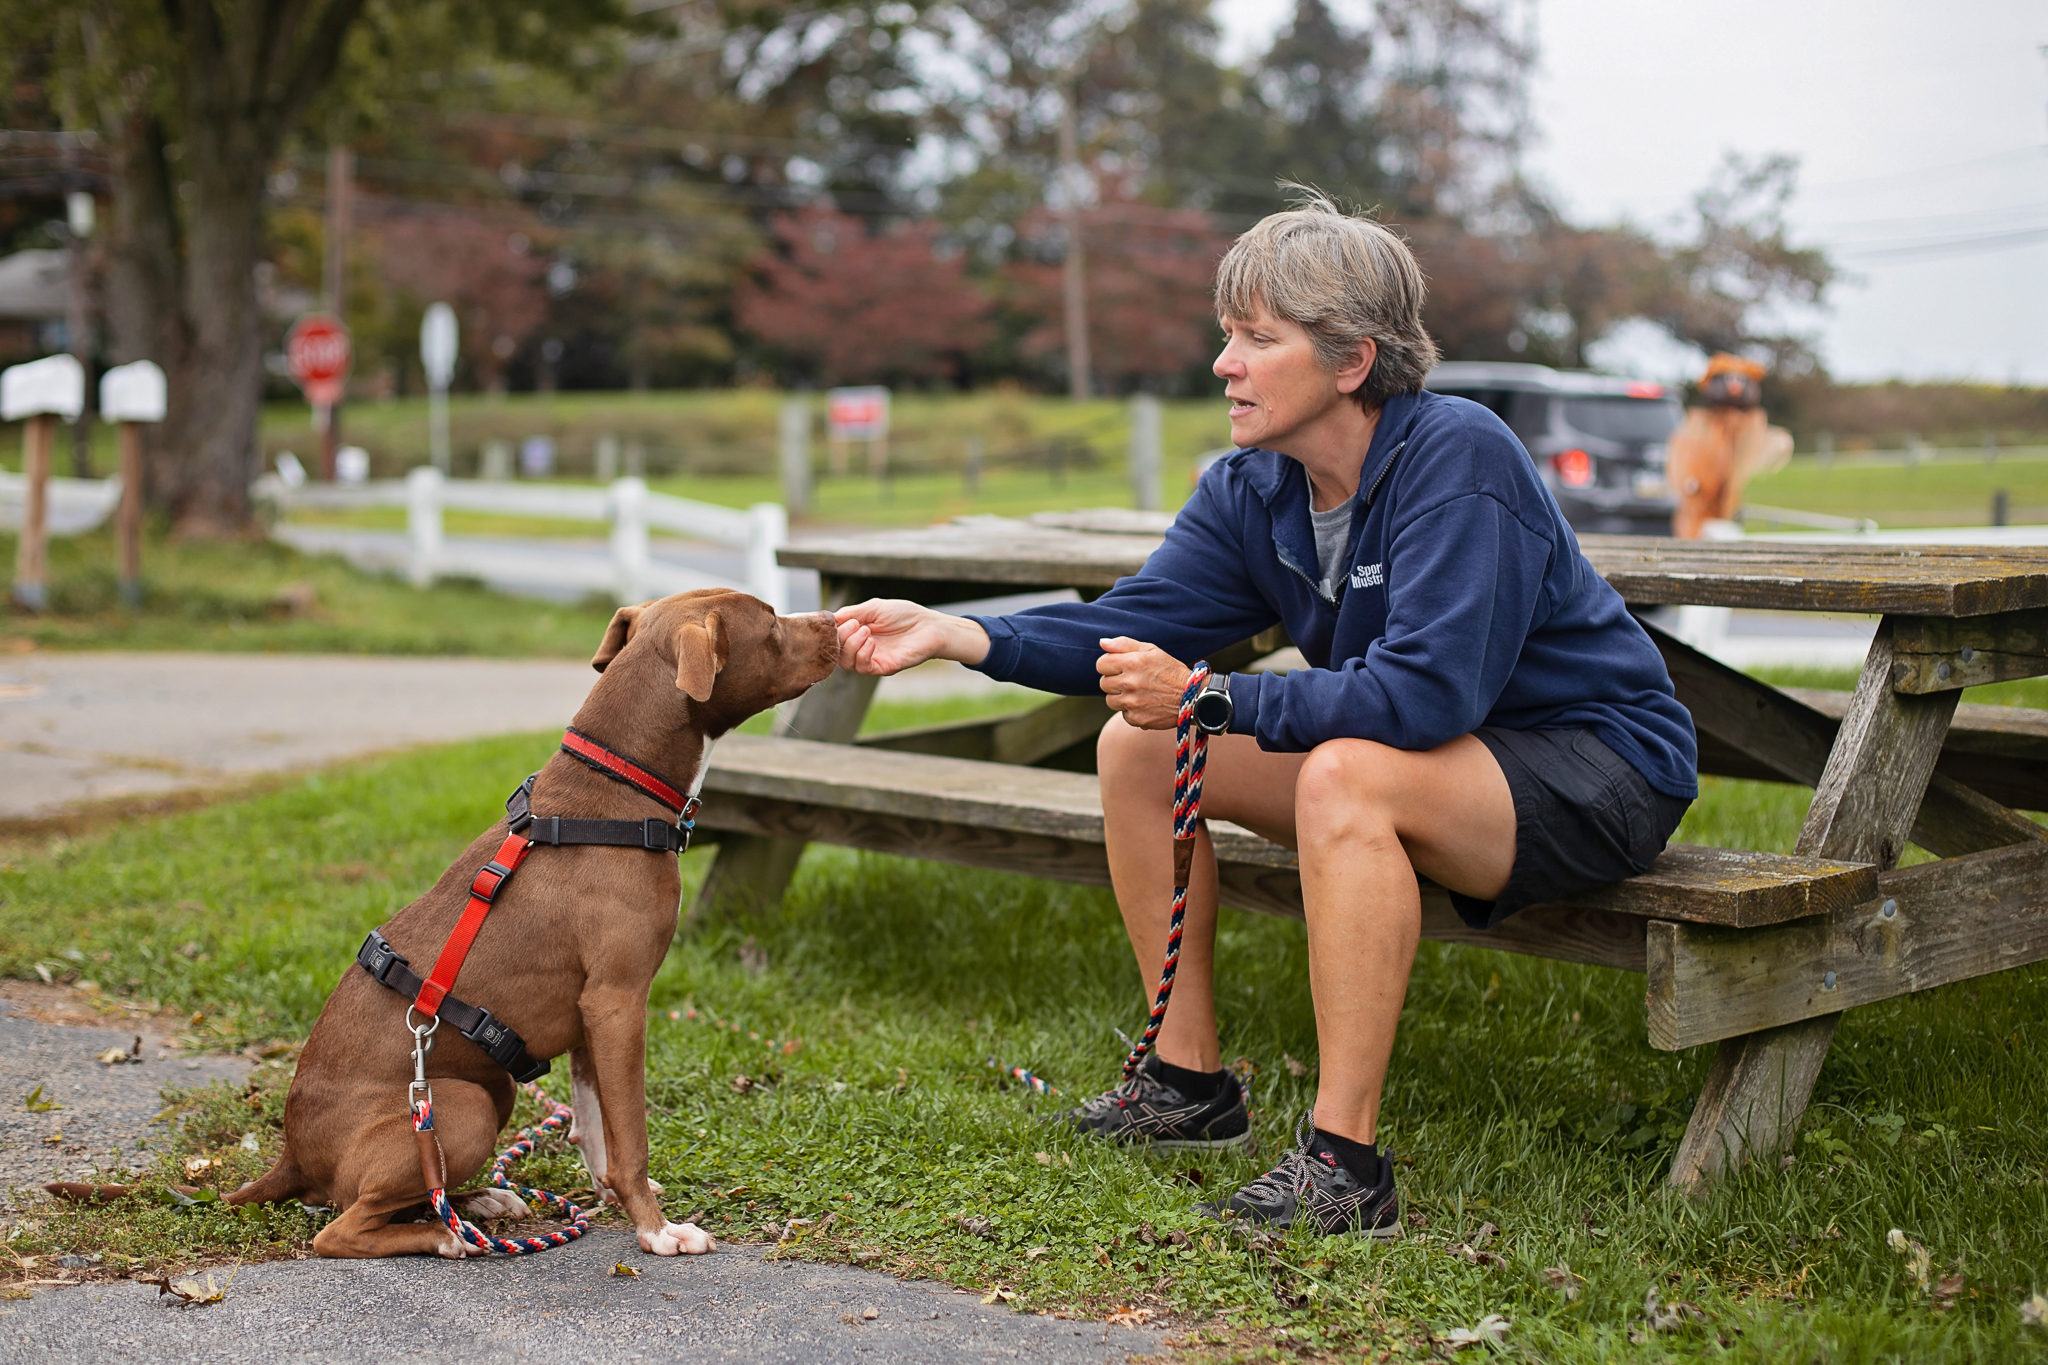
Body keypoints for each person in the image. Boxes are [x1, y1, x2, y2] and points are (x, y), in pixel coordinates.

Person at [833, 193, 1698, 1237]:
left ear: (1348, 361)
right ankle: (1185, 1086)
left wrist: (1212, 694)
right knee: (1137, 746)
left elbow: (1423, 699)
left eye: (1254, 338)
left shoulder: (1457, 456)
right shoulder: (1252, 487)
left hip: (1591, 770)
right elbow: (1130, 627)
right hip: (1437, 764)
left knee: (1342, 771)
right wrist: (956, 634)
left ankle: (1346, 1165)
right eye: (1224, 336)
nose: (1222, 365)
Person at [1665, 353, 1793, 538]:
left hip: (1727, 509)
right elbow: (1684, 458)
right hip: (1697, 507)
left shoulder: (1752, 423)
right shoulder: (1699, 423)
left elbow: (1761, 446)